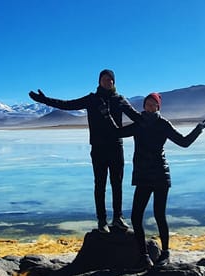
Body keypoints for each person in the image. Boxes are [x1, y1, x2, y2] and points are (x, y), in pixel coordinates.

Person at [29, 69, 142, 233]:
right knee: (100, 185)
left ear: (114, 82)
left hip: (116, 147)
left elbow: (138, 118)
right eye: (104, 79)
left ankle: (118, 217)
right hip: (98, 149)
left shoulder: (120, 100)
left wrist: (125, 131)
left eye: (110, 79)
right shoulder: (92, 99)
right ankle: (102, 221)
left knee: (117, 184)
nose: (107, 81)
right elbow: (67, 105)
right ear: (99, 81)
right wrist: (45, 100)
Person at [118, 92, 205, 269]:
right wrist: (106, 116)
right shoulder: (138, 124)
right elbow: (117, 132)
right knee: (136, 216)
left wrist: (199, 128)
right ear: (144, 106)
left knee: (159, 215)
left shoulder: (163, 124)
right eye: (147, 103)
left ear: (158, 107)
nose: (149, 106)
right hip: (143, 175)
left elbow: (184, 142)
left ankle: (165, 253)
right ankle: (144, 257)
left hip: (161, 175)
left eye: (153, 104)